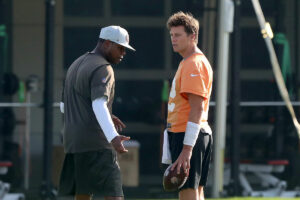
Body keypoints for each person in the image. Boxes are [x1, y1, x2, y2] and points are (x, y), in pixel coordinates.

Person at [58, 25, 135, 200]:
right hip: (96, 143)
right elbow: (98, 104)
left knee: (83, 194)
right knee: (114, 195)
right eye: (120, 47)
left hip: (73, 143)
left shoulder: (76, 64)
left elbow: (64, 106)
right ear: (107, 43)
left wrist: (107, 114)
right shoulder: (103, 68)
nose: (123, 53)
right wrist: (113, 137)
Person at [163, 12, 213, 200]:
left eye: (178, 35)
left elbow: (197, 108)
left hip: (189, 134)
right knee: (196, 191)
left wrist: (186, 149)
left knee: (188, 192)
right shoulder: (190, 62)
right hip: (193, 133)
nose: (173, 39)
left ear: (193, 36)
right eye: (171, 35)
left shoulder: (193, 63)